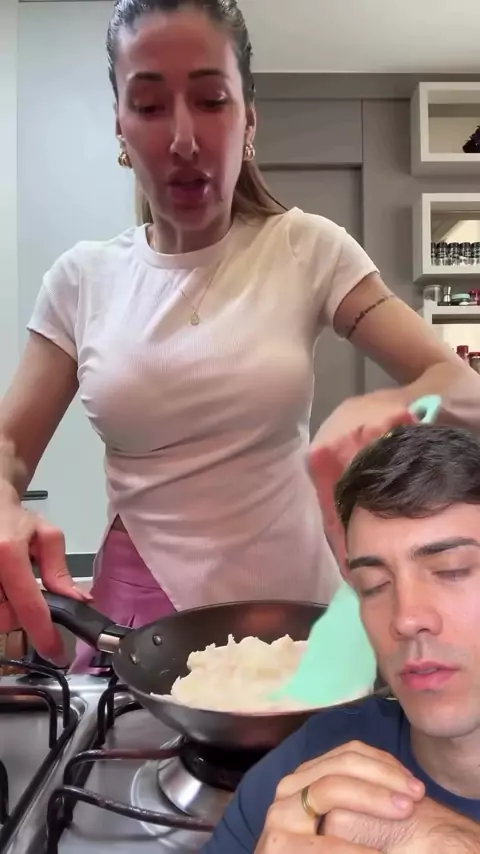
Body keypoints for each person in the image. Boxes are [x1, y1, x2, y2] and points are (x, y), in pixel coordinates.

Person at [0, 0, 477, 670]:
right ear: (119, 124)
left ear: (248, 117)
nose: (183, 139)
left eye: (211, 100)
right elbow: (9, 449)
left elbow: (458, 383)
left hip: (295, 619)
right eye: (149, 105)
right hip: (144, 627)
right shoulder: (82, 279)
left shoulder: (307, 249)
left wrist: (397, 406)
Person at [202, 423, 480, 854]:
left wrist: (453, 843)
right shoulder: (312, 764)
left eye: (452, 570)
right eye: (374, 585)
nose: (405, 618)